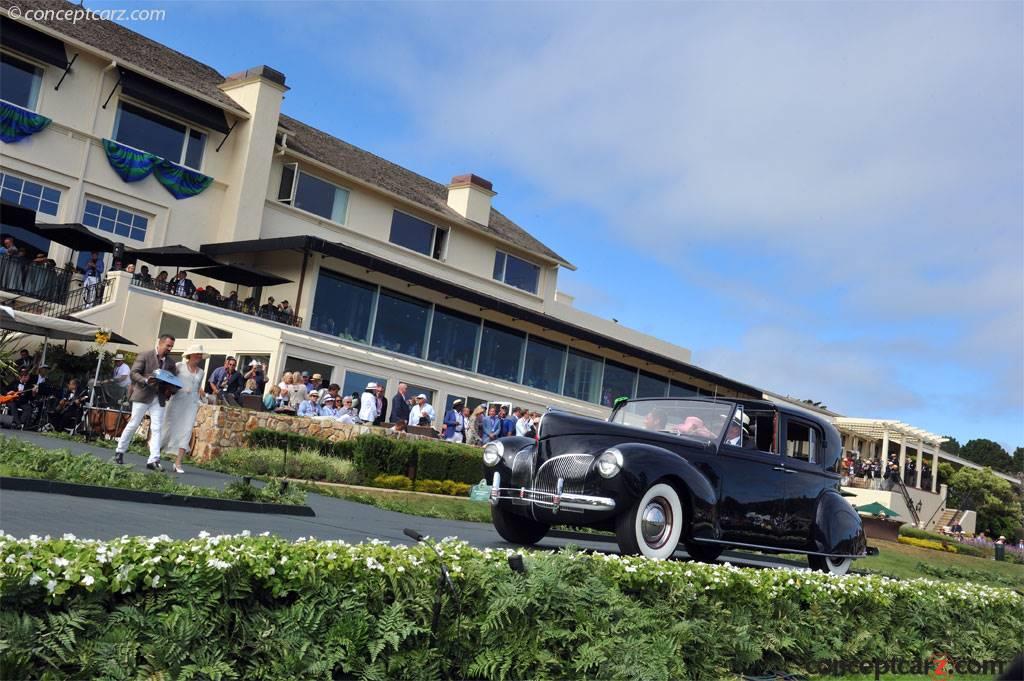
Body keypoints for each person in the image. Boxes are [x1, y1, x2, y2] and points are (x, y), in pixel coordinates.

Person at [112, 333, 178, 469]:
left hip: (159, 397)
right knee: (133, 424)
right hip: (143, 394)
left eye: (172, 346)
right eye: (168, 345)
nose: (170, 349)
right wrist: (146, 380)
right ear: (160, 343)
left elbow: (173, 379)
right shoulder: (145, 355)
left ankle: (153, 460)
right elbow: (134, 373)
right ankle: (119, 452)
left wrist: (173, 388)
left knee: (157, 428)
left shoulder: (171, 363)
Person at [161, 344, 206, 474]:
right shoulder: (179, 366)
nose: (199, 356)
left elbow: (198, 388)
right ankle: (155, 456)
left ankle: (178, 462)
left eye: (200, 354)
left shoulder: (201, 372)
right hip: (177, 402)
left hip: (191, 404)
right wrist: (179, 389)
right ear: (190, 354)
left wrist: (202, 399)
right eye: (197, 353)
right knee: (167, 428)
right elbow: (169, 381)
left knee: (187, 431)